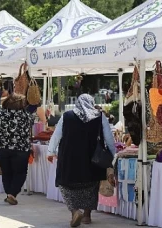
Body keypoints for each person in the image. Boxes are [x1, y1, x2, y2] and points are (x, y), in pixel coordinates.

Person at [47, 94, 116, 227]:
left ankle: (74, 211)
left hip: (69, 157)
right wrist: (112, 154)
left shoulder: (67, 116)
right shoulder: (100, 117)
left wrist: (50, 152)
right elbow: (109, 137)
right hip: (93, 158)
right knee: (91, 185)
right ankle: (87, 216)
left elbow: (56, 136)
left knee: (65, 184)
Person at [0, 94, 34, 205]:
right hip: (21, 148)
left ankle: (9, 193)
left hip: (0, 148)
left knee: (6, 170)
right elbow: (29, 132)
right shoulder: (27, 116)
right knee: (20, 171)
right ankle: (12, 194)